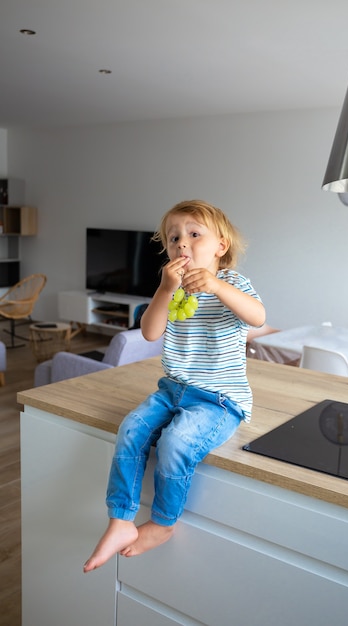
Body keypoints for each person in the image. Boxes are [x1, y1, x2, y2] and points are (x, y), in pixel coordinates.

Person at [83, 199, 265, 572]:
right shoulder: (173, 288)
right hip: (172, 390)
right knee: (131, 428)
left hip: (219, 401)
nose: (182, 243)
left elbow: (258, 317)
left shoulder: (231, 283)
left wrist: (215, 285)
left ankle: (164, 523)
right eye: (173, 237)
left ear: (220, 246)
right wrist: (165, 290)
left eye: (194, 234)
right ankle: (119, 520)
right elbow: (150, 331)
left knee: (177, 442)